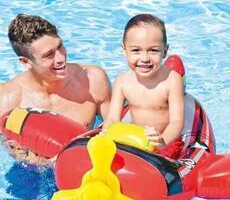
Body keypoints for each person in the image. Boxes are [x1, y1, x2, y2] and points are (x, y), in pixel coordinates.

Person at [0, 14, 111, 164]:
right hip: (32, 176)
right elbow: (16, 153)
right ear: (26, 62)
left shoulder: (92, 80)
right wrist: (54, 163)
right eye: (49, 55)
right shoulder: (7, 99)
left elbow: (114, 128)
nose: (61, 58)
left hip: (88, 165)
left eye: (60, 46)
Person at [103, 14, 185, 159]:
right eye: (136, 50)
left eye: (153, 50)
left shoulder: (172, 80)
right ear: (124, 50)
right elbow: (113, 118)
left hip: (165, 142)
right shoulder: (122, 82)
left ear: (165, 51)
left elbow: (176, 122)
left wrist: (163, 141)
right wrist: (106, 133)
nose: (145, 58)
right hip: (135, 141)